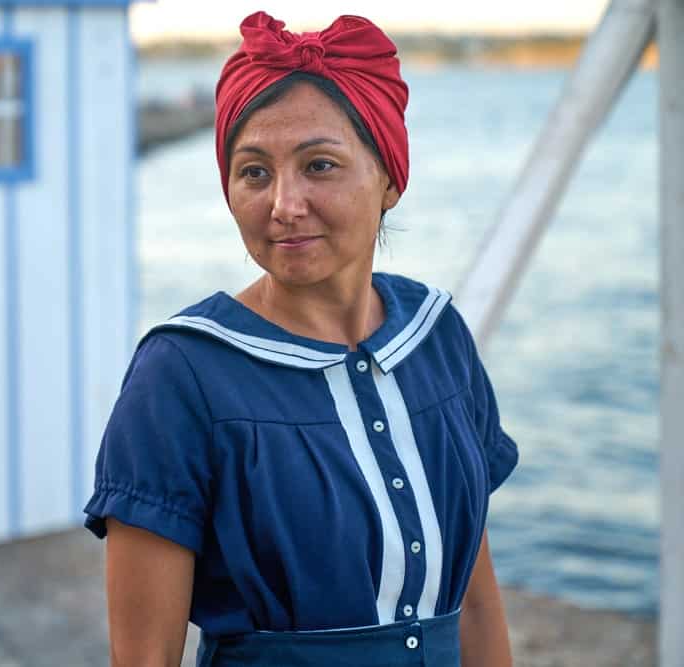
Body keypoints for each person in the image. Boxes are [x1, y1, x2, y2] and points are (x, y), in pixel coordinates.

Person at [84, 12, 519, 667]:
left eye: (319, 165)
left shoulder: (437, 336)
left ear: (391, 179)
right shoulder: (180, 377)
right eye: (254, 172)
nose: (284, 203)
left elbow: (477, 600)